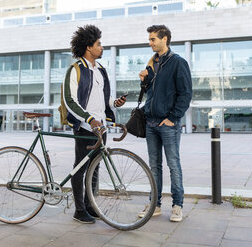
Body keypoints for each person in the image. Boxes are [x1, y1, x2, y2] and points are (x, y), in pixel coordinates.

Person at [62, 24, 126, 224]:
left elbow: (104, 98)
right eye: (99, 44)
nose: (102, 47)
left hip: (101, 128)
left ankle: (90, 206)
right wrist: (89, 119)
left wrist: (115, 104)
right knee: (80, 168)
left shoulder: (101, 70)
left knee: (95, 168)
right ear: (89, 47)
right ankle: (79, 210)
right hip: (85, 127)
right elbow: (70, 101)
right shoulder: (75, 70)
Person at [138, 24, 192, 222]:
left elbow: (185, 93)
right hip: (151, 123)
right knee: (154, 167)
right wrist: (144, 79)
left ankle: (177, 206)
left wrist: (173, 118)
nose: (150, 42)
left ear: (165, 39)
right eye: (150, 39)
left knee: (173, 165)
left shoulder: (178, 63)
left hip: (168, 124)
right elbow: (150, 92)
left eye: (153, 39)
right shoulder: (152, 63)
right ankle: (155, 205)